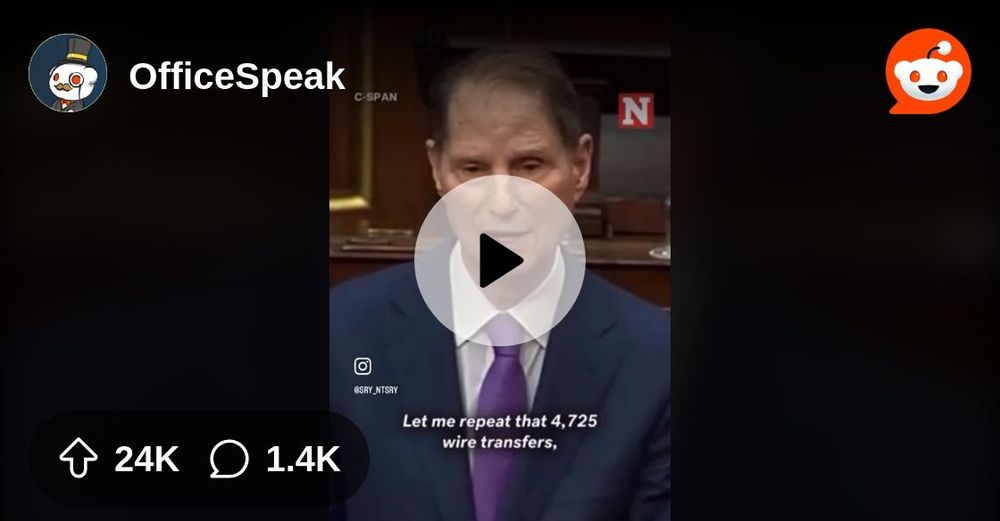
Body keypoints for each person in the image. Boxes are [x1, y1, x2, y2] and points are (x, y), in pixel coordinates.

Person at [330, 48, 670, 521]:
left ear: (580, 165)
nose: (503, 202)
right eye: (472, 170)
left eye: (530, 166)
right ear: (437, 170)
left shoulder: (657, 360)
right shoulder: (341, 335)